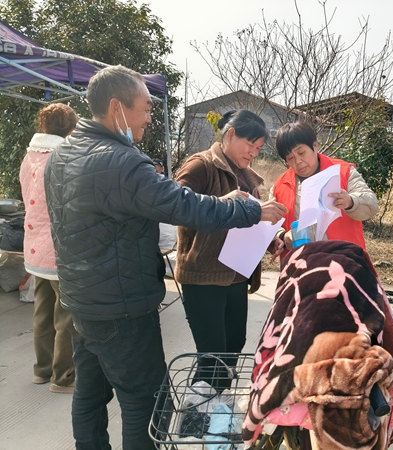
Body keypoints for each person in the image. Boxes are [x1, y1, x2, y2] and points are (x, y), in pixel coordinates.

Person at [44, 66, 286, 450]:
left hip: (81, 301)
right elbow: (183, 204)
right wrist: (248, 211)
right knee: (147, 402)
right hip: (122, 308)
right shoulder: (122, 162)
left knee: (89, 395)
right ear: (116, 108)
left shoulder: (63, 154)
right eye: (144, 108)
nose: (150, 117)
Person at [174, 110, 283, 389]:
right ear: (231, 134)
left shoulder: (246, 176)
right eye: (251, 145)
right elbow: (177, 208)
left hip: (236, 273)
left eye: (259, 149)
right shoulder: (200, 166)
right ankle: (198, 413)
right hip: (203, 275)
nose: (254, 153)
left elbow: (252, 218)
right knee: (212, 355)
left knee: (233, 346)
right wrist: (227, 201)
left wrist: (272, 238)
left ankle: (216, 407)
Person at [19, 103, 78, 394]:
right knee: (65, 316)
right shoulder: (64, 158)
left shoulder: (30, 156)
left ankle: (41, 371)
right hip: (57, 248)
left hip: (33, 245)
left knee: (42, 310)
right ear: (70, 129)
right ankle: (63, 377)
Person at [271, 121, 378, 261]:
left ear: (315, 146)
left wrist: (351, 201)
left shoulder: (343, 172)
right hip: (301, 269)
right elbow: (270, 224)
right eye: (291, 158)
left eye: (301, 153)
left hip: (345, 263)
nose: (298, 161)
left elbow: (371, 206)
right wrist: (282, 236)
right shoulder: (280, 185)